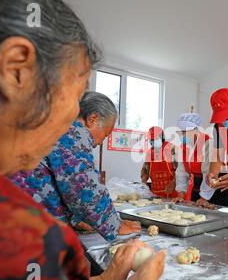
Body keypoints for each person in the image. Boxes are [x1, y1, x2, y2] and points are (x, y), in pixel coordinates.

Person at [0, 0, 164, 280]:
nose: (72, 114)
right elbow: (81, 185)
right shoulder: (21, 237)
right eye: (77, 90)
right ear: (18, 70)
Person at [11, 91, 141, 240]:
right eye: (105, 135)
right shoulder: (73, 132)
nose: (100, 143)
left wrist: (76, 218)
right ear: (92, 119)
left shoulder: (58, 125)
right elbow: (82, 184)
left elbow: (61, 181)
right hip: (24, 224)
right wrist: (114, 225)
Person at [173, 113, 215, 206]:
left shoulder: (208, 143)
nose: (182, 135)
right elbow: (181, 172)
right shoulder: (183, 147)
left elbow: (208, 173)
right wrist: (181, 193)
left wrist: (204, 197)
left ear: (196, 129)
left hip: (212, 188)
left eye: (185, 132)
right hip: (197, 186)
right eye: (181, 132)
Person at [141, 126, 178, 198]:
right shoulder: (149, 153)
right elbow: (145, 170)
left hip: (172, 193)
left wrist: (174, 182)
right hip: (155, 194)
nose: (153, 142)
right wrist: (143, 183)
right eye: (151, 141)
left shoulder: (172, 149)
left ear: (162, 138)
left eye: (156, 139)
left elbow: (181, 170)